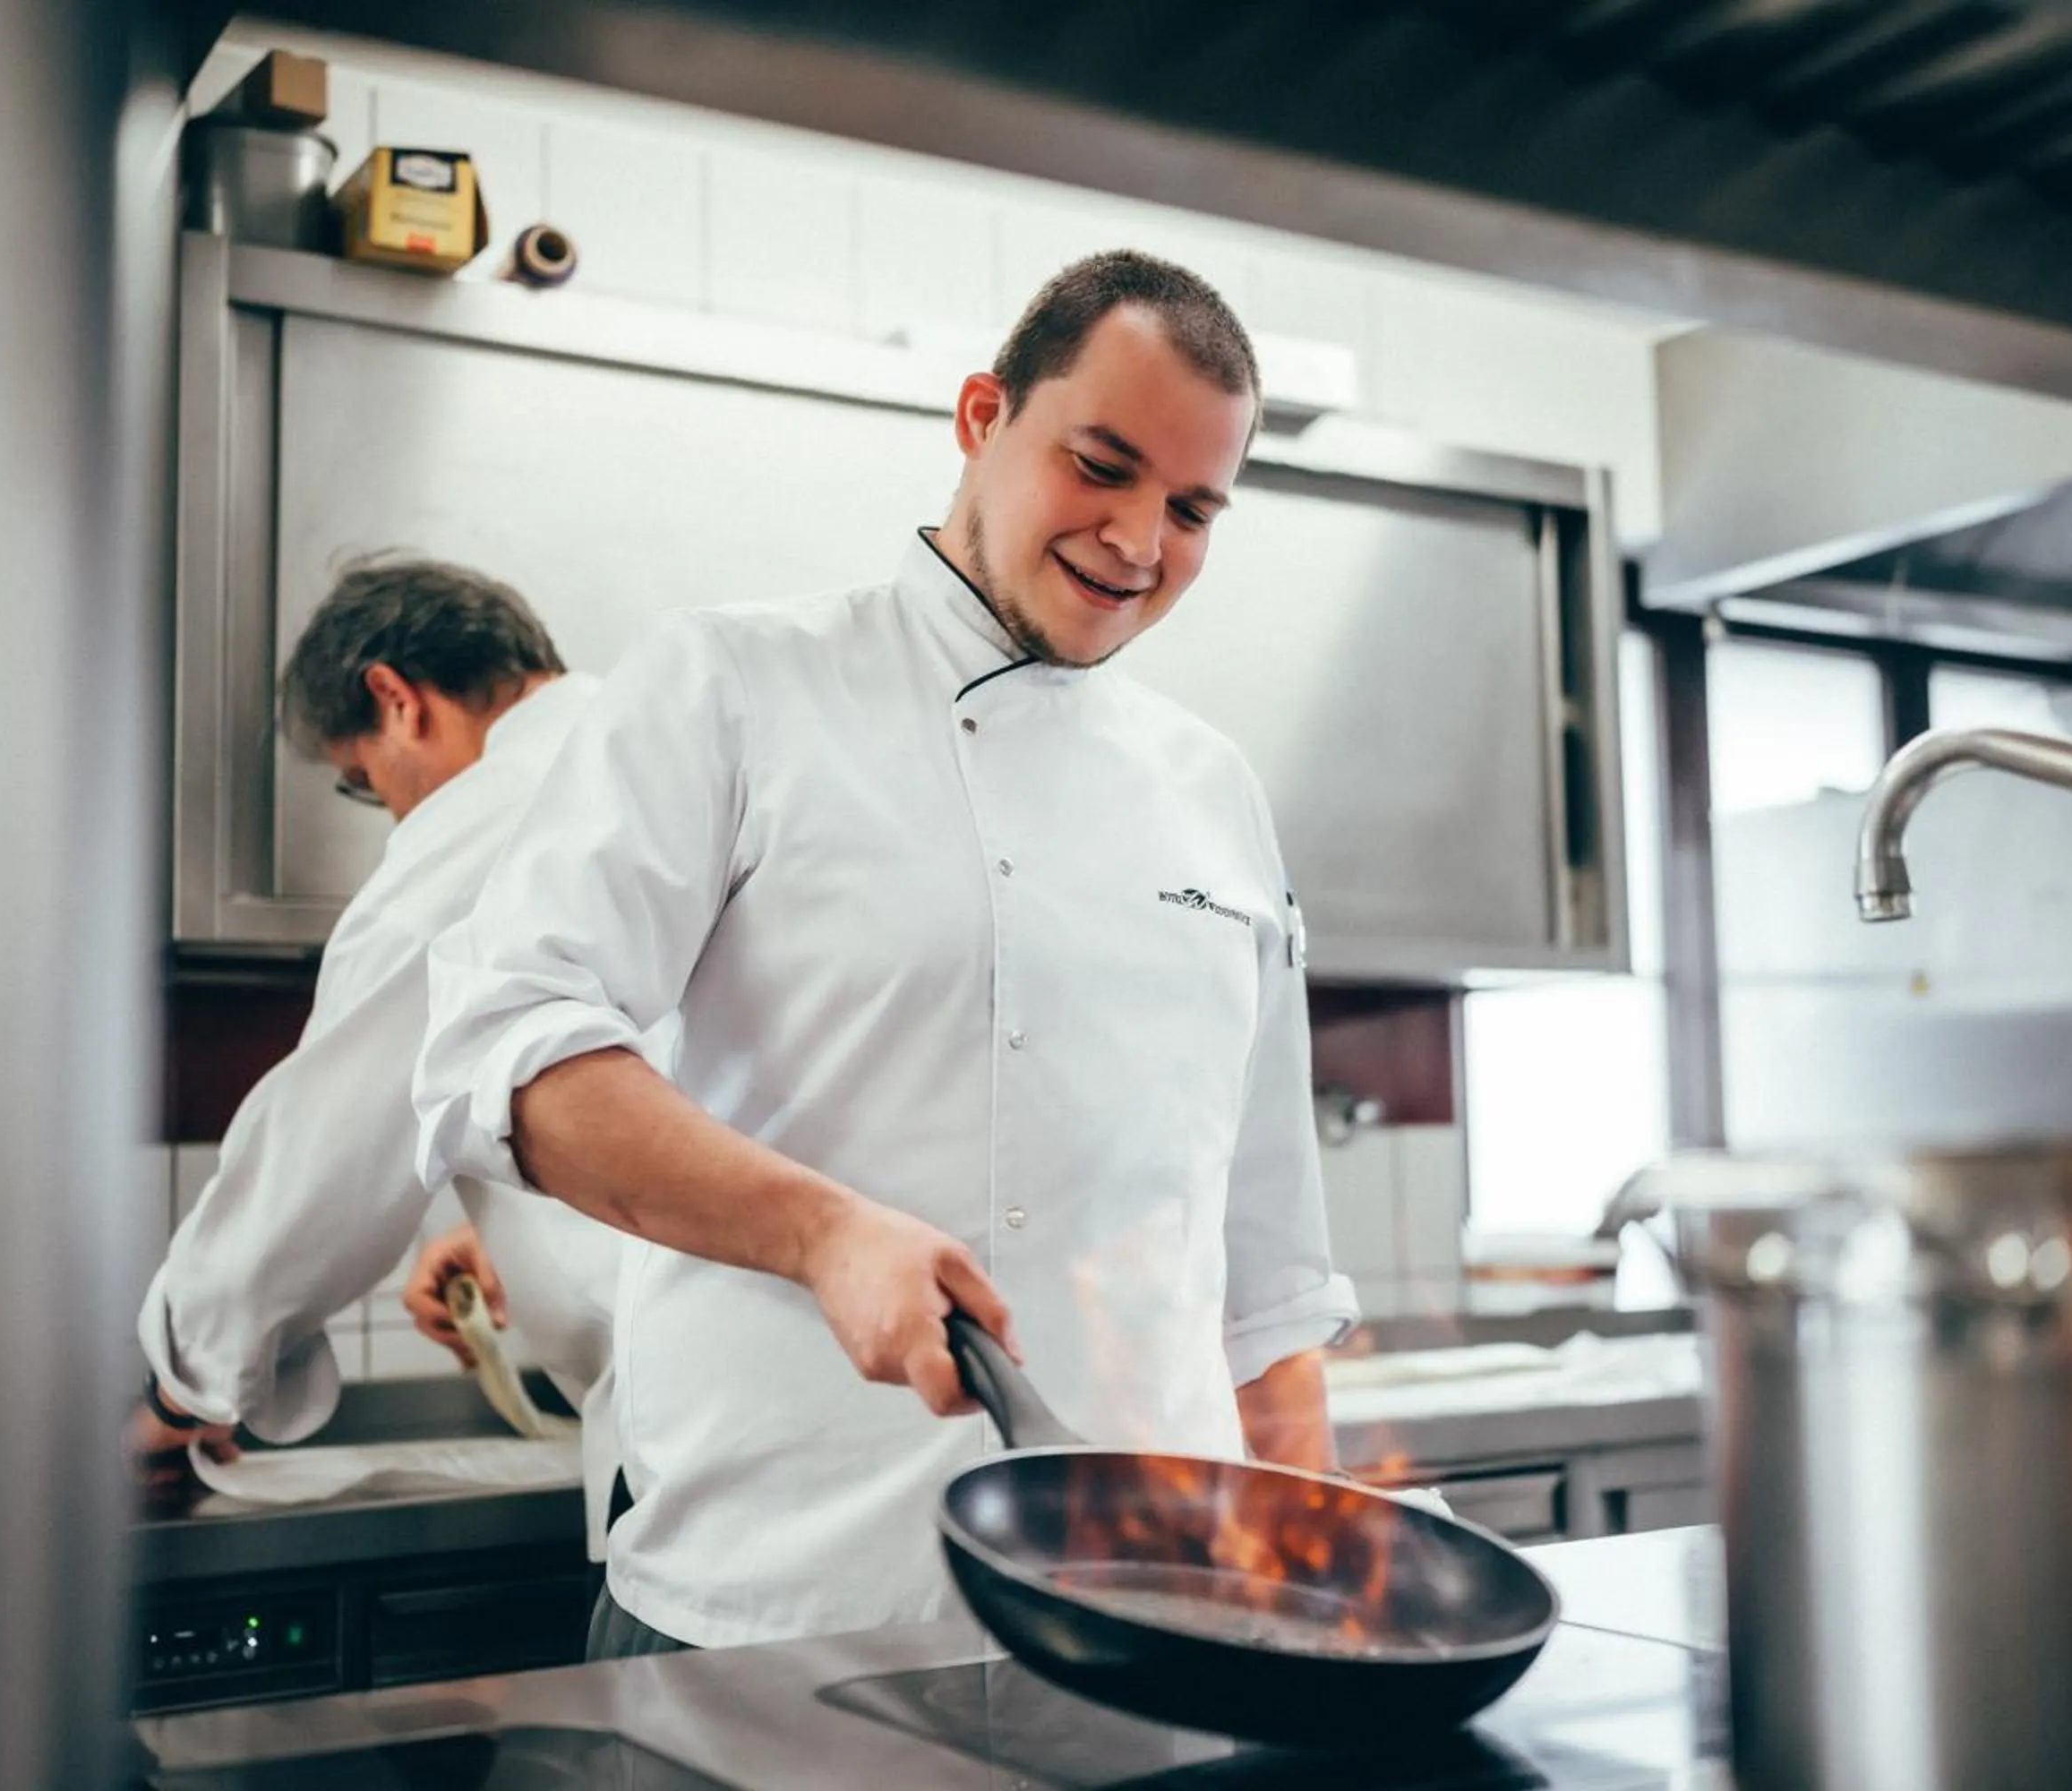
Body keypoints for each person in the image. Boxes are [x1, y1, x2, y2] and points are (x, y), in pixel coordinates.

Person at [415, 251, 1361, 1658]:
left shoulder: (1214, 790)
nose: (1139, 539)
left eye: (1193, 508)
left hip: (1149, 1625)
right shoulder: (735, 687)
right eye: (1100, 465)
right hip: (772, 1620)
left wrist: (1319, 1599)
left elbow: (1266, 1278)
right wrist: (822, 1231)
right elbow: (509, 1054)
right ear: (983, 416)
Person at [133, 558, 634, 1555]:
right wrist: (506, 1226)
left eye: (367, 786)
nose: (399, 818)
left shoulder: (497, 814)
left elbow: (319, 1159)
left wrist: (181, 1389)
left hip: (710, 1466)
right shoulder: (656, 747)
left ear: (397, 700)